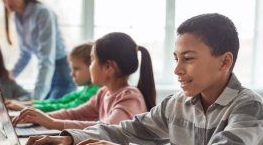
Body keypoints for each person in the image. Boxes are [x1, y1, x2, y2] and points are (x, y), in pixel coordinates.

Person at [24, 14, 263, 145]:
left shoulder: (249, 108)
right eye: (176, 59)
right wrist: (71, 138)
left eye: (188, 59)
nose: (177, 70)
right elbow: (126, 132)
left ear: (225, 61)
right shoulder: (177, 104)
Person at [13, 32, 157, 130]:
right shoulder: (103, 93)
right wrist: (40, 117)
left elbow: (106, 128)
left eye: (93, 59)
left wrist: (53, 123)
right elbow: (73, 114)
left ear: (108, 67)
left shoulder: (130, 97)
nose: (90, 65)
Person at [0, 0, 76, 100]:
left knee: (47, 114)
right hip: (47, 73)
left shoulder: (43, 13)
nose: (7, 1)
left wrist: (36, 99)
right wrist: (9, 76)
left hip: (62, 73)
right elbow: (25, 54)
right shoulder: (17, 17)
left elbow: (47, 59)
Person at [6, 42, 101, 112]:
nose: (71, 74)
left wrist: (26, 108)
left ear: (92, 66)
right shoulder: (86, 89)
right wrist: (25, 104)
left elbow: (68, 107)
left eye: (76, 69)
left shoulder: (95, 91)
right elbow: (60, 101)